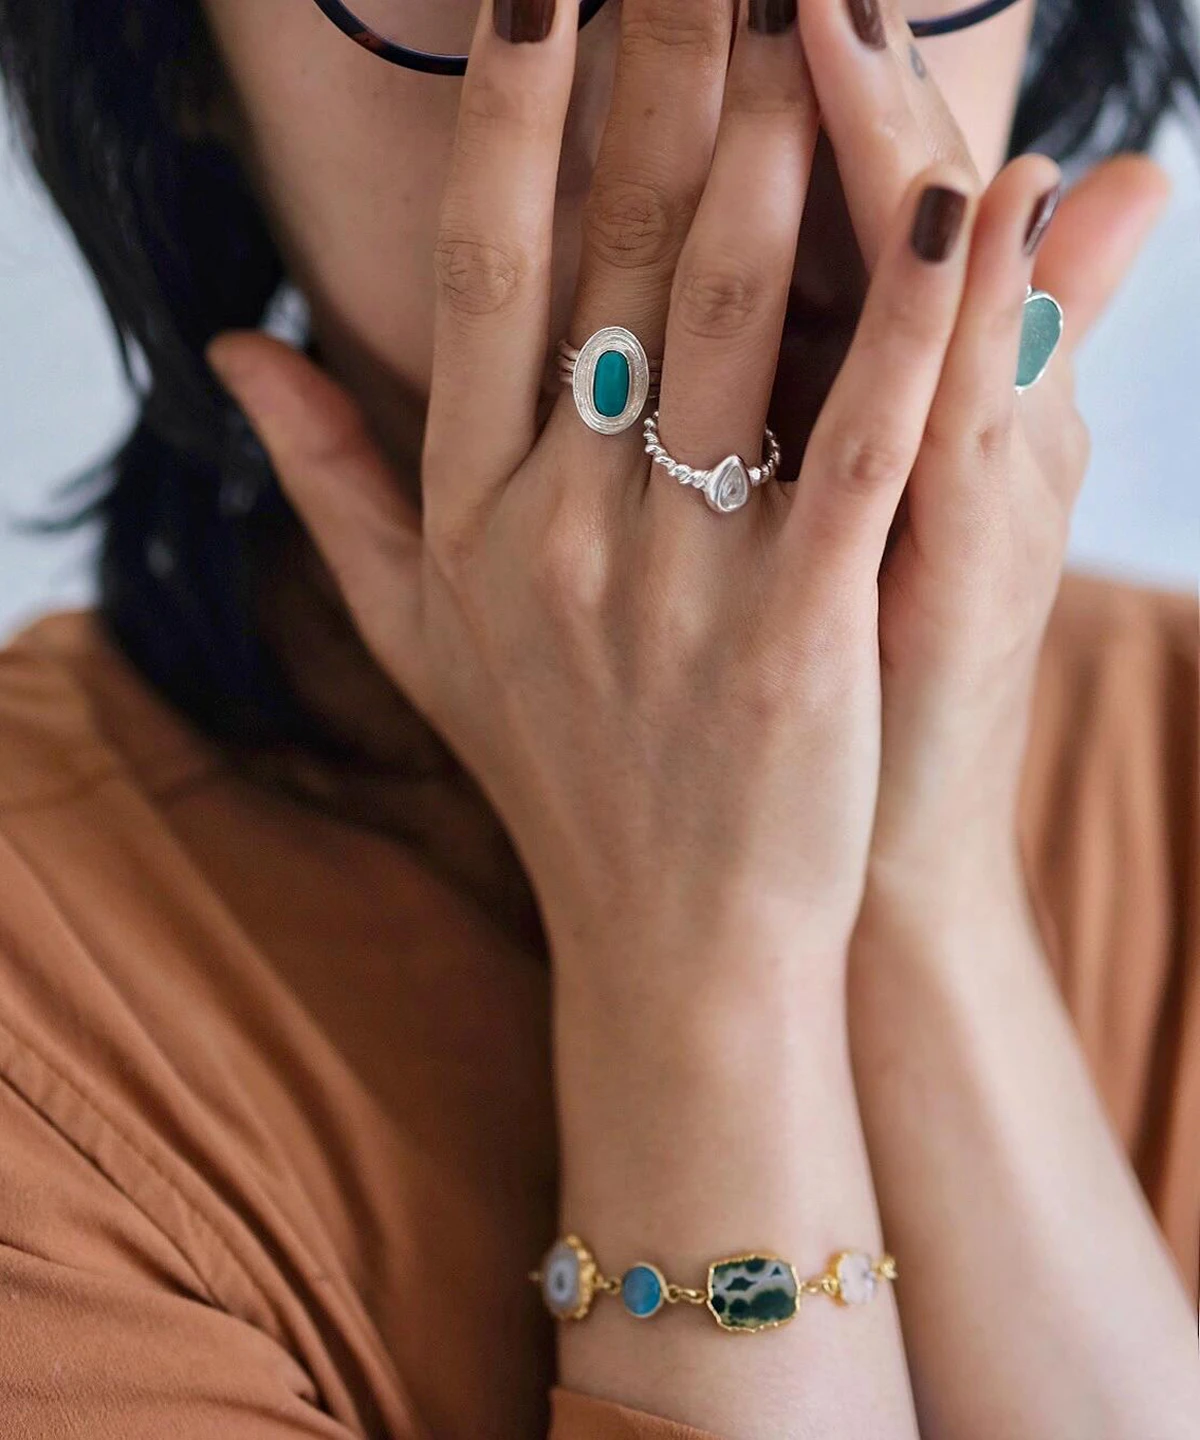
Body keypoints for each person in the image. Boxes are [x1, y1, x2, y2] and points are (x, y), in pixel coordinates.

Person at [0, 0, 1196, 1433]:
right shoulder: (43, 1046)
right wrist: (706, 969)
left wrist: (927, 881)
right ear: (172, 53)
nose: (713, 43)